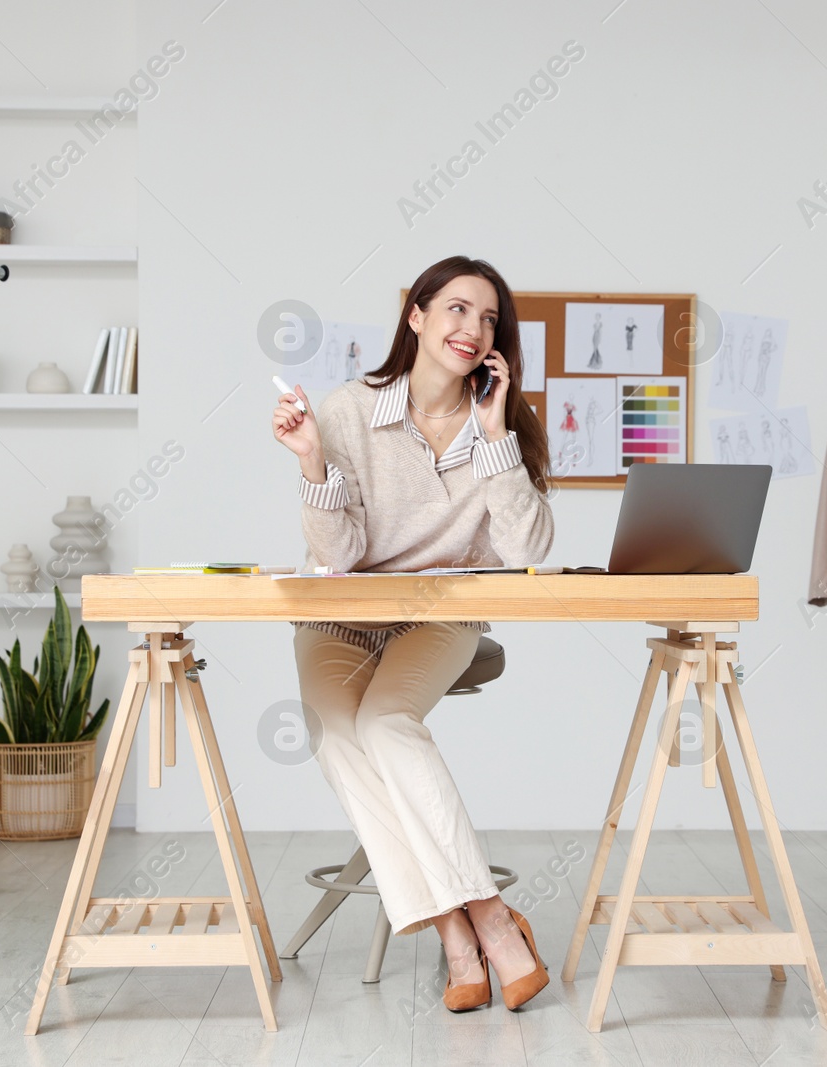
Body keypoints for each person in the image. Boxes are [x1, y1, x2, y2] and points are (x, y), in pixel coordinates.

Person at [270, 255, 554, 1013]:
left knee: (385, 722)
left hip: (440, 616)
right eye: (458, 309)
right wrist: (311, 462)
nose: (473, 328)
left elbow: (527, 553)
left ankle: (484, 926)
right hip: (340, 615)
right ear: (417, 316)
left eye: (489, 318)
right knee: (338, 727)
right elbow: (338, 556)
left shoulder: (507, 422)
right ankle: (467, 929)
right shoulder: (347, 411)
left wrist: (494, 434)